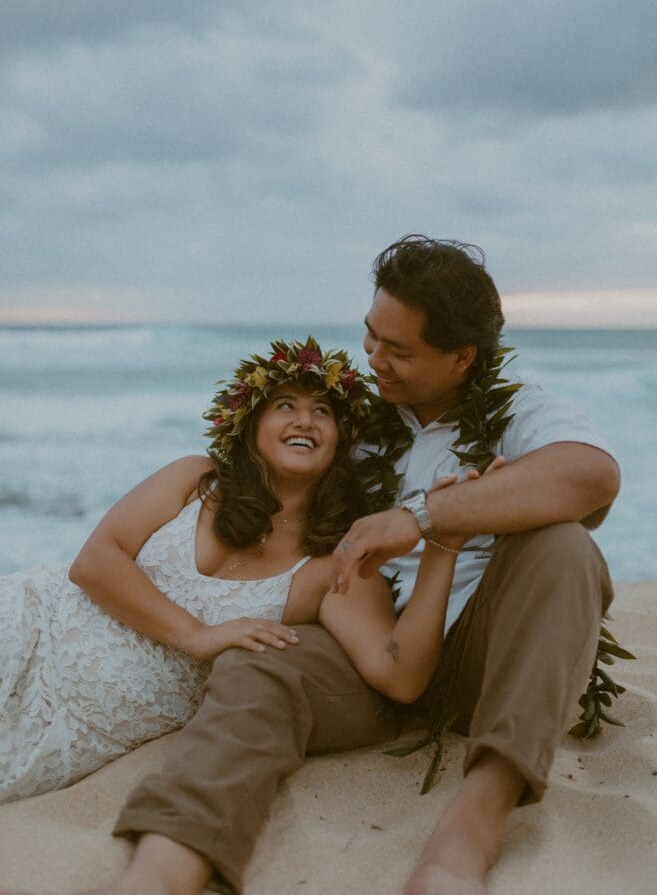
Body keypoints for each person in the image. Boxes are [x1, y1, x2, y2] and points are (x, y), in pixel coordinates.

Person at [9, 235, 619, 895]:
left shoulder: (520, 410)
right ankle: (167, 862)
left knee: (565, 546)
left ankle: (468, 831)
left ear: (461, 356)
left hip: (489, 655)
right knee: (258, 660)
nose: (373, 359)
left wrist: (426, 519)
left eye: (398, 351)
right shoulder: (357, 423)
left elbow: (589, 476)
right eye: (370, 337)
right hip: (366, 650)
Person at [0, 336, 490, 806]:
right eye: (286, 406)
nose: (307, 420)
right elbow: (94, 563)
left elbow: (399, 676)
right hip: (28, 626)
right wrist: (196, 635)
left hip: (75, 727)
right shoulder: (194, 479)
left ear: (340, 441)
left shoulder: (327, 567)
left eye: (323, 411)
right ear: (251, 425)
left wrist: (443, 542)